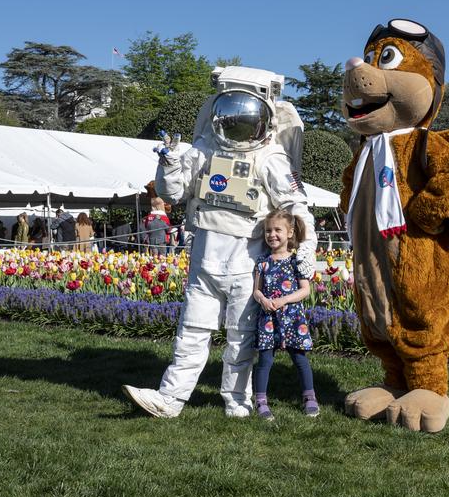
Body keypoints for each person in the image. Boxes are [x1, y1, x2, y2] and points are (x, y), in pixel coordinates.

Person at [123, 66, 317, 419]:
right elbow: (173, 193)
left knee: (241, 338)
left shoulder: (271, 158)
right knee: (191, 332)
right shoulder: (204, 149)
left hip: (246, 260)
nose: (238, 122)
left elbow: (296, 206)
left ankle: (237, 402)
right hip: (205, 256)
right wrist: (169, 164)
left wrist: (305, 251)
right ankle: (170, 399)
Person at [250, 209, 318, 420]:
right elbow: (256, 290)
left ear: (289, 233)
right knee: (265, 361)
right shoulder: (263, 262)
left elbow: (305, 290)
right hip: (268, 318)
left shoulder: (297, 261)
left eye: (277, 230)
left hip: (293, 318)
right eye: (268, 231)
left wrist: (284, 300)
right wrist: (263, 300)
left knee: (300, 358)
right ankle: (261, 401)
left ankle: (309, 397)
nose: (272, 235)